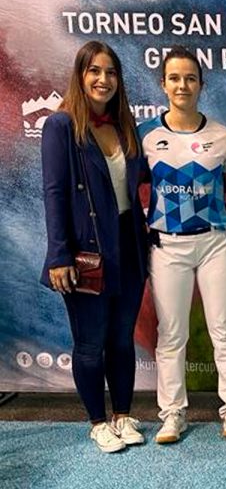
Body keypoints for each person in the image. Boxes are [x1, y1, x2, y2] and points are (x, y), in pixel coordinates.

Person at [41, 41, 149, 453]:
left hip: (129, 244)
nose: (104, 80)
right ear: (81, 75)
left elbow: (139, 180)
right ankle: (98, 422)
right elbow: (54, 193)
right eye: (95, 71)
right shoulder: (61, 126)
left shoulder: (125, 123)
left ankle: (123, 415)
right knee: (90, 342)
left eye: (111, 72)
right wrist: (59, 255)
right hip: (87, 251)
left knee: (121, 338)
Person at [138, 46, 226, 443]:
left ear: (201, 84)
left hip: (215, 245)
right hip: (168, 248)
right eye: (174, 78)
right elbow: (124, 187)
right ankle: (172, 414)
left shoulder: (221, 136)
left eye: (190, 78)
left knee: (224, 328)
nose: (182, 85)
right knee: (171, 333)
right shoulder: (148, 137)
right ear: (163, 83)